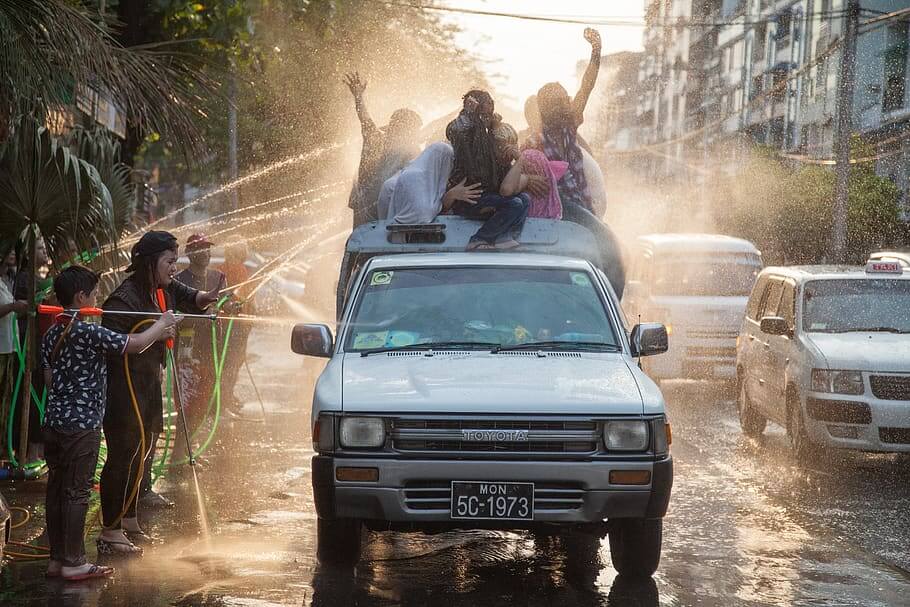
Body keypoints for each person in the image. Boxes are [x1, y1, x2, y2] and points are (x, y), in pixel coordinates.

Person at [41, 266, 176, 580]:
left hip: (54, 422)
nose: (97, 299)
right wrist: (163, 324)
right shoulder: (87, 332)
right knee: (77, 492)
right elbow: (134, 344)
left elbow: (48, 378)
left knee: (57, 490)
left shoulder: (51, 334)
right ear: (81, 297)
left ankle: (57, 559)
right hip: (82, 425)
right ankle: (75, 562)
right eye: (94, 293)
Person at [97, 231, 220, 555]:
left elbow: (184, 293)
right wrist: (158, 328)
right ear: (151, 263)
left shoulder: (158, 288)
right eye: (170, 261)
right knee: (123, 455)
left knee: (145, 449)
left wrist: (204, 297)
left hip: (148, 383)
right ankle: (110, 530)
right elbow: (112, 345)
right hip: (124, 389)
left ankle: (131, 520)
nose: (174, 269)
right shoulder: (123, 301)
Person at [445, 91, 531, 250]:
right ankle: (478, 239)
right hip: (469, 199)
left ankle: (504, 236)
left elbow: (506, 184)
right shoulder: (463, 132)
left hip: (490, 195)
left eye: (490, 107)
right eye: (482, 114)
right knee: (514, 204)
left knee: (524, 199)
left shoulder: (492, 135)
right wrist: (468, 112)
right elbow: (454, 130)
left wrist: (513, 154)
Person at [172, 233, 227, 463]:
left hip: (210, 349)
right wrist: (205, 317)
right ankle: (178, 454)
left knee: (204, 403)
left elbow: (223, 303)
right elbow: (175, 317)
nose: (204, 252)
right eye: (198, 248)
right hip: (188, 354)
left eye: (207, 248)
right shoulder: (180, 281)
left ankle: (189, 449)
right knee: (187, 406)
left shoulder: (217, 278)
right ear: (188, 253)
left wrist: (227, 308)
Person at [344, 72, 422, 228]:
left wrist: (358, 97)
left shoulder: (409, 147)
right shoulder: (378, 139)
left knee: (364, 239)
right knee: (365, 239)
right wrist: (358, 97)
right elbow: (365, 119)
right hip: (369, 202)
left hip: (379, 201)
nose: (415, 134)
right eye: (414, 130)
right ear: (403, 128)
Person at [378, 142, 483, 224]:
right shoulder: (413, 178)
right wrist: (450, 197)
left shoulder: (430, 179)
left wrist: (450, 197)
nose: (449, 168)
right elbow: (421, 216)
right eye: (448, 162)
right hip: (402, 240)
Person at [0, 270, 28, 453]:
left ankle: (3, 447)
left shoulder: (6, 281)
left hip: (9, 347)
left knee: (6, 399)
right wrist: (12, 307)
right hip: (1, 348)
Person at [500, 149, 568, 219]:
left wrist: (520, 161)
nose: (536, 171)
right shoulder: (553, 202)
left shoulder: (519, 188)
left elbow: (506, 189)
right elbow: (506, 189)